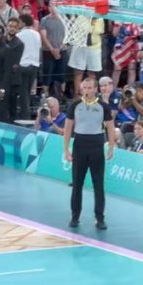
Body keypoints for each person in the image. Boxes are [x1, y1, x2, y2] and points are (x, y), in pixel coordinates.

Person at [64, 78, 115, 230]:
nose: (87, 90)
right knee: (77, 184)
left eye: (90, 87)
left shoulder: (103, 106)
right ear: (81, 89)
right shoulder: (74, 105)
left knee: (98, 185)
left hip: (97, 146)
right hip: (80, 145)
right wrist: (66, 148)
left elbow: (110, 127)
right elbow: (68, 127)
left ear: (95, 89)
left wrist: (111, 147)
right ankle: (75, 216)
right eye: (84, 88)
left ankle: (100, 218)